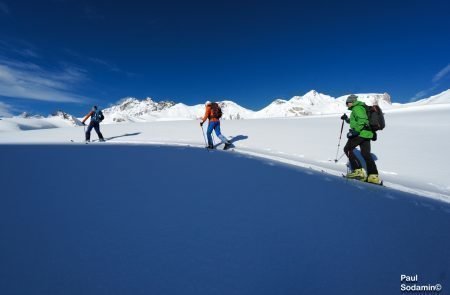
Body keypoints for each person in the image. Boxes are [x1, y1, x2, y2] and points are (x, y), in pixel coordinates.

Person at [341, 94, 381, 184]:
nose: (346, 105)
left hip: (361, 133)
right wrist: (347, 119)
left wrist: (356, 132)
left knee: (347, 149)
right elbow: (356, 121)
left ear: (351, 102)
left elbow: (362, 120)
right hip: (367, 134)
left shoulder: (357, 108)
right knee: (365, 154)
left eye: (347, 103)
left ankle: (358, 171)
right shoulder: (360, 107)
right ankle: (373, 176)